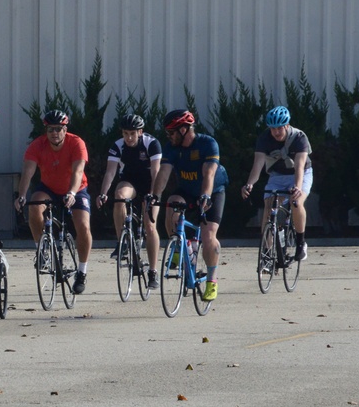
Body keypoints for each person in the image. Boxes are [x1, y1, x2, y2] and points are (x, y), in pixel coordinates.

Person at [149, 110, 229, 301]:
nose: (169, 137)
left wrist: (206, 196)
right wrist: (154, 196)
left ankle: (211, 281)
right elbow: (164, 173)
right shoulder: (171, 148)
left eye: (171, 132)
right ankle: (178, 246)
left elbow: (209, 173)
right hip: (186, 191)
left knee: (209, 236)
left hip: (212, 191)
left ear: (184, 129)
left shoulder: (207, 144)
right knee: (171, 205)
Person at [14, 109, 93, 294]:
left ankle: (82, 272)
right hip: (48, 188)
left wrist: (72, 193)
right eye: (50, 129)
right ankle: (41, 250)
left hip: (76, 189)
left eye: (58, 129)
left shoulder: (76, 143)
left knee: (83, 226)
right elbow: (28, 172)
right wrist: (22, 195)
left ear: (65, 130)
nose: (55, 133)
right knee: (34, 205)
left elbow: (78, 171)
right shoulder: (37, 145)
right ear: (46, 131)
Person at [96, 113, 163, 288]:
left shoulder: (152, 143)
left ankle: (153, 271)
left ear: (140, 132)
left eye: (133, 133)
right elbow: (110, 172)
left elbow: (156, 172)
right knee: (119, 196)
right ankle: (122, 242)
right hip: (130, 181)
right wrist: (103, 193)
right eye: (126, 133)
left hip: (151, 184)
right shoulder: (118, 146)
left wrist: (153, 194)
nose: (129, 137)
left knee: (150, 225)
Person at [241, 105, 312, 261]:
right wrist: (249, 184)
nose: (276, 132)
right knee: (269, 205)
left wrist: (297, 187)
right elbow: (258, 165)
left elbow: (299, 167)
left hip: (300, 174)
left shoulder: (299, 137)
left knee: (296, 202)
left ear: (287, 125)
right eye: (273, 129)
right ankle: (266, 253)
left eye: (279, 128)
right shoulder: (264, 139)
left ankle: (301, 243)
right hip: (277, 175)